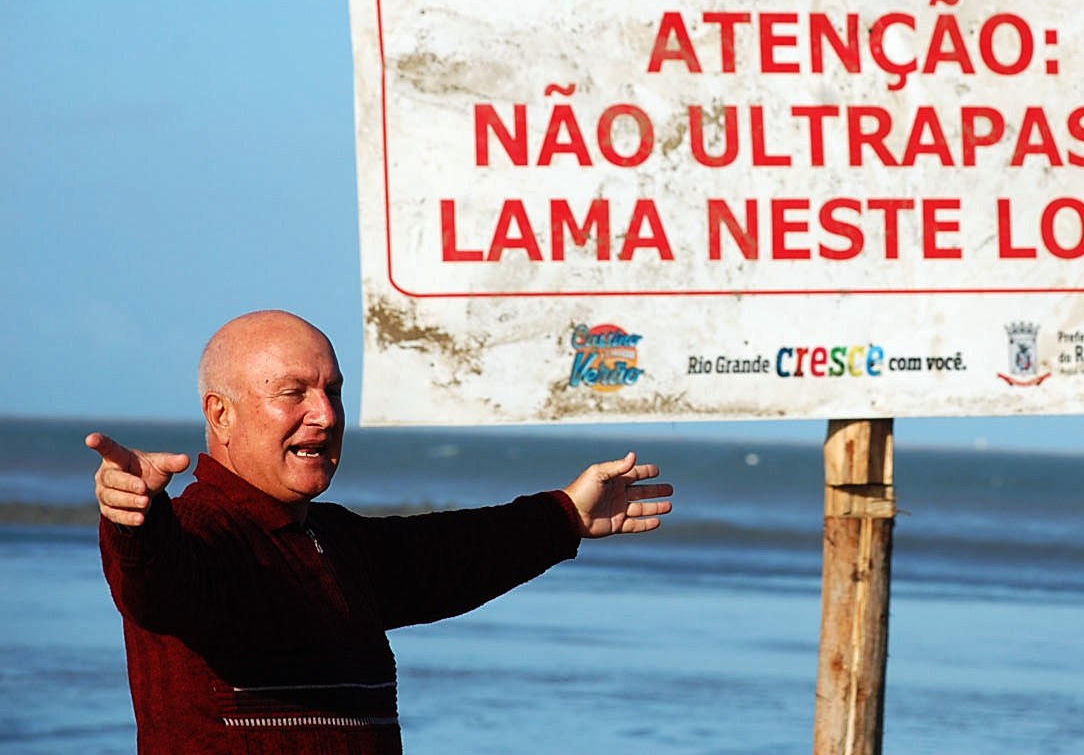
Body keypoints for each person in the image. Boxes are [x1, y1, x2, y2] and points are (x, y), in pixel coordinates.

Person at [86, 309, 673, 754]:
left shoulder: (335, 541)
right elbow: (156, 586)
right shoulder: (202, 532)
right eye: (293, 392)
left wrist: (566, 514)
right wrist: (135, 519)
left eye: (333, 391)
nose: (326, 414)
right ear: (221, 414)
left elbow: (448, 555)